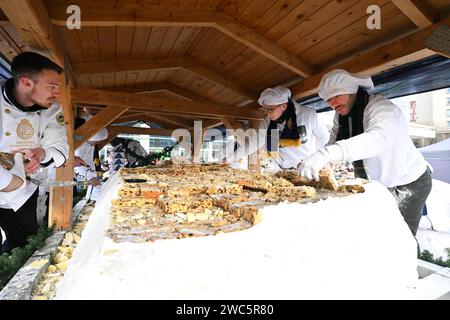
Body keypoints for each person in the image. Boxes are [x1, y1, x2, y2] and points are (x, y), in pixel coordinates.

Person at [299, 69, 432, 236]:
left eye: (336, 96)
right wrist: (321, 162)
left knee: (400, 236)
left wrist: (326, 154)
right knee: (376, 230)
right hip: (380, 182)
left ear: (352, 90)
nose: (332, 103)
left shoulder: (381, 108)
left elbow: (377, 139)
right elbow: (334, 138)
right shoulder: (341, 115)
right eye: (328, 99)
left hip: (408, 181)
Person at [0, 52, 69, 252]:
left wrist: (42, 153)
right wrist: (9, 182)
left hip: (25, 195)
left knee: (24, 245)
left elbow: (60, 145)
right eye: (52, 86)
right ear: (26, 82)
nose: (57, 92)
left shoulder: (52, 110)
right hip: (9, 182)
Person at [228, 86, 330, 170]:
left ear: (283, 106)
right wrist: (229, 159)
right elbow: (253, 143)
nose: (268, 114)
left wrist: (321, 159)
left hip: (307, 168)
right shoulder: (268, 122)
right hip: (282, 170)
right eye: (266, 110)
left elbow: (324, 138)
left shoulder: (308, 115)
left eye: (270, 110)